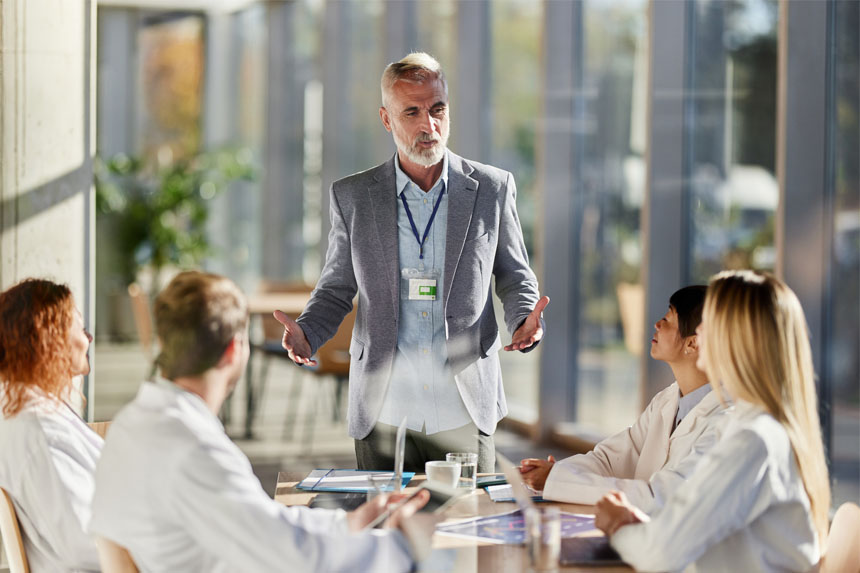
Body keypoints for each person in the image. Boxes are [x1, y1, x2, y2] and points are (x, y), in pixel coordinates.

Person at [274, 52, 548, 473]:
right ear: (387, 119)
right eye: (412, 112)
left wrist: (524, 316)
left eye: (437, 109)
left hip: (464, 406)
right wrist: (308, 332)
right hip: (384, 409)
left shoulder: (491, 189)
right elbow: (336, 287)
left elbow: (514, 275)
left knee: (466, 532)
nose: (428, 125)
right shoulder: (353, 197)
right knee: (383, 534)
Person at [90, 271, 430, 572]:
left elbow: (264, 525)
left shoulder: (131, 424)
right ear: (234, 349)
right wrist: (403, 543)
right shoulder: (193, 450)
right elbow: (298, 559)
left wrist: (349, 524)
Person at [595, 271, 831, 572]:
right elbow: (694, 527)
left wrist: (618, 527)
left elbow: (660, 555)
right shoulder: (756, 427)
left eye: (710, 320)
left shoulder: (754, 440)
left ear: (736, 338)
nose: (700, 330)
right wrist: (640, 526)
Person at [519, 286, 727, 512]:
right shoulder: (667, 400)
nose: (657, 324)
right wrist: (558, 473)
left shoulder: (725, 419)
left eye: (668, 319)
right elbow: (611, 460)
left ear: (692, 343)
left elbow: (661, 495)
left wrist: (560, 481)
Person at [0, 278, 101, 572]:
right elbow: (85, 544)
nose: (89, 338)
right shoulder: (39, 430)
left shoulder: (23, 411)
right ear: (50, 341)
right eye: (80, 328)